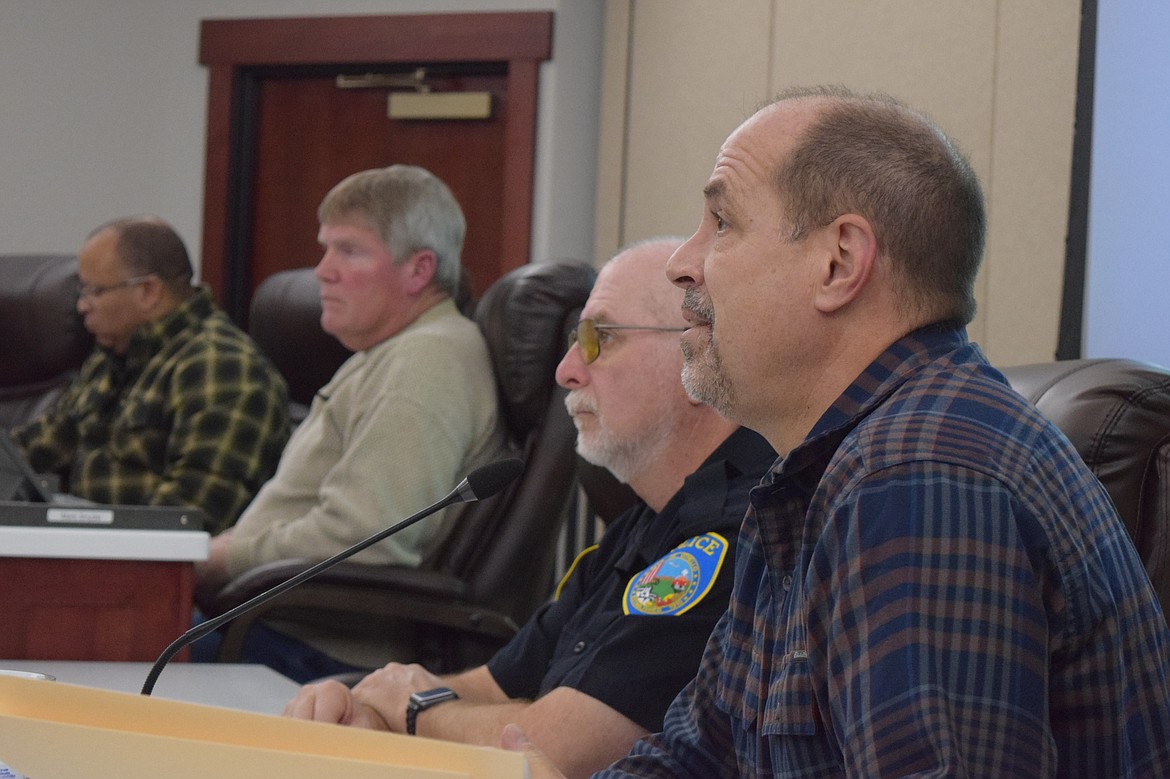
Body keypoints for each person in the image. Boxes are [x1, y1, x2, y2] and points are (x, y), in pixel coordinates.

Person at [512, 87, 1170, 777]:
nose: (683, 261)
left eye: (722, 223)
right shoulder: (814, 474)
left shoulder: (920, 479)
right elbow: (698, 753)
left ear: (839, 263)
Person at [282, 238, 776, 778]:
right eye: (572, 340)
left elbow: (551, 749)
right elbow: (493, 685)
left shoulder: (738, 529)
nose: (566, 370)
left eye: (599, 339)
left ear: (696, 353)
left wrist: (417, 708)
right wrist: (369, 697)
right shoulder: (645, 521)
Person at [194, 164, 510, 680]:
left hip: (313, 647)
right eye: (325, 248)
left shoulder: (425, 362)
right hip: (269, 619)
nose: (323, 270)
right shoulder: (385, 352)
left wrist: (223, 558)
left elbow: (365, 539)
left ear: (418, 270)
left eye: (350, 250)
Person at [10, 216, 289, 532]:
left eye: (93, 291)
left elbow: (194, 514)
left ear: (149, 291)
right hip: (92, 548)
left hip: (152, 565)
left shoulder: (222, 367)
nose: (82, 307)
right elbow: (39, 448)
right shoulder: (114, 357)